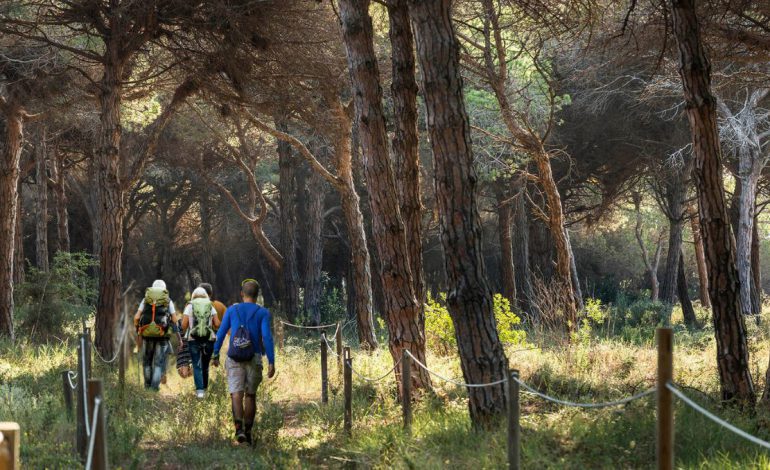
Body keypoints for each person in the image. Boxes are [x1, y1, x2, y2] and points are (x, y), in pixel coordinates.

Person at [212, 279, 276, 445]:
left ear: (242, 294)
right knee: (250, 395)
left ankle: (238, 429)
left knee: (236, 393)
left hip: (234, 357)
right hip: (254, 356)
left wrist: (215, 354)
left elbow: (220, 333)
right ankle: (248, 431)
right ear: (257, 295)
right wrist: (271, 361)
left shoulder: (232, 310)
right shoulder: (263, 313)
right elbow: (267, 337)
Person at [134, 279, 180, 391]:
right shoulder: (168, 300)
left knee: (147, 362)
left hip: (147, 335)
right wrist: (179, 337)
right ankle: (154, 390)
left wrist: (138, 329)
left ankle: (147, 387)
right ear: (164, 290)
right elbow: (174, 319)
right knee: (158, 363)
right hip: (162, 335)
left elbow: (136, 317)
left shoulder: (146, 300)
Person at [181, 287, 221, 398]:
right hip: (208, 339)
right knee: (205, 365)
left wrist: (188, 328)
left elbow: (183, 325)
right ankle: (205, 389)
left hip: (193, 339)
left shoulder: (190, 305)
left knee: (196, 365)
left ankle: (200, 393)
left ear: (193, 295)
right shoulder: (210, 305)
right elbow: (217, 323)